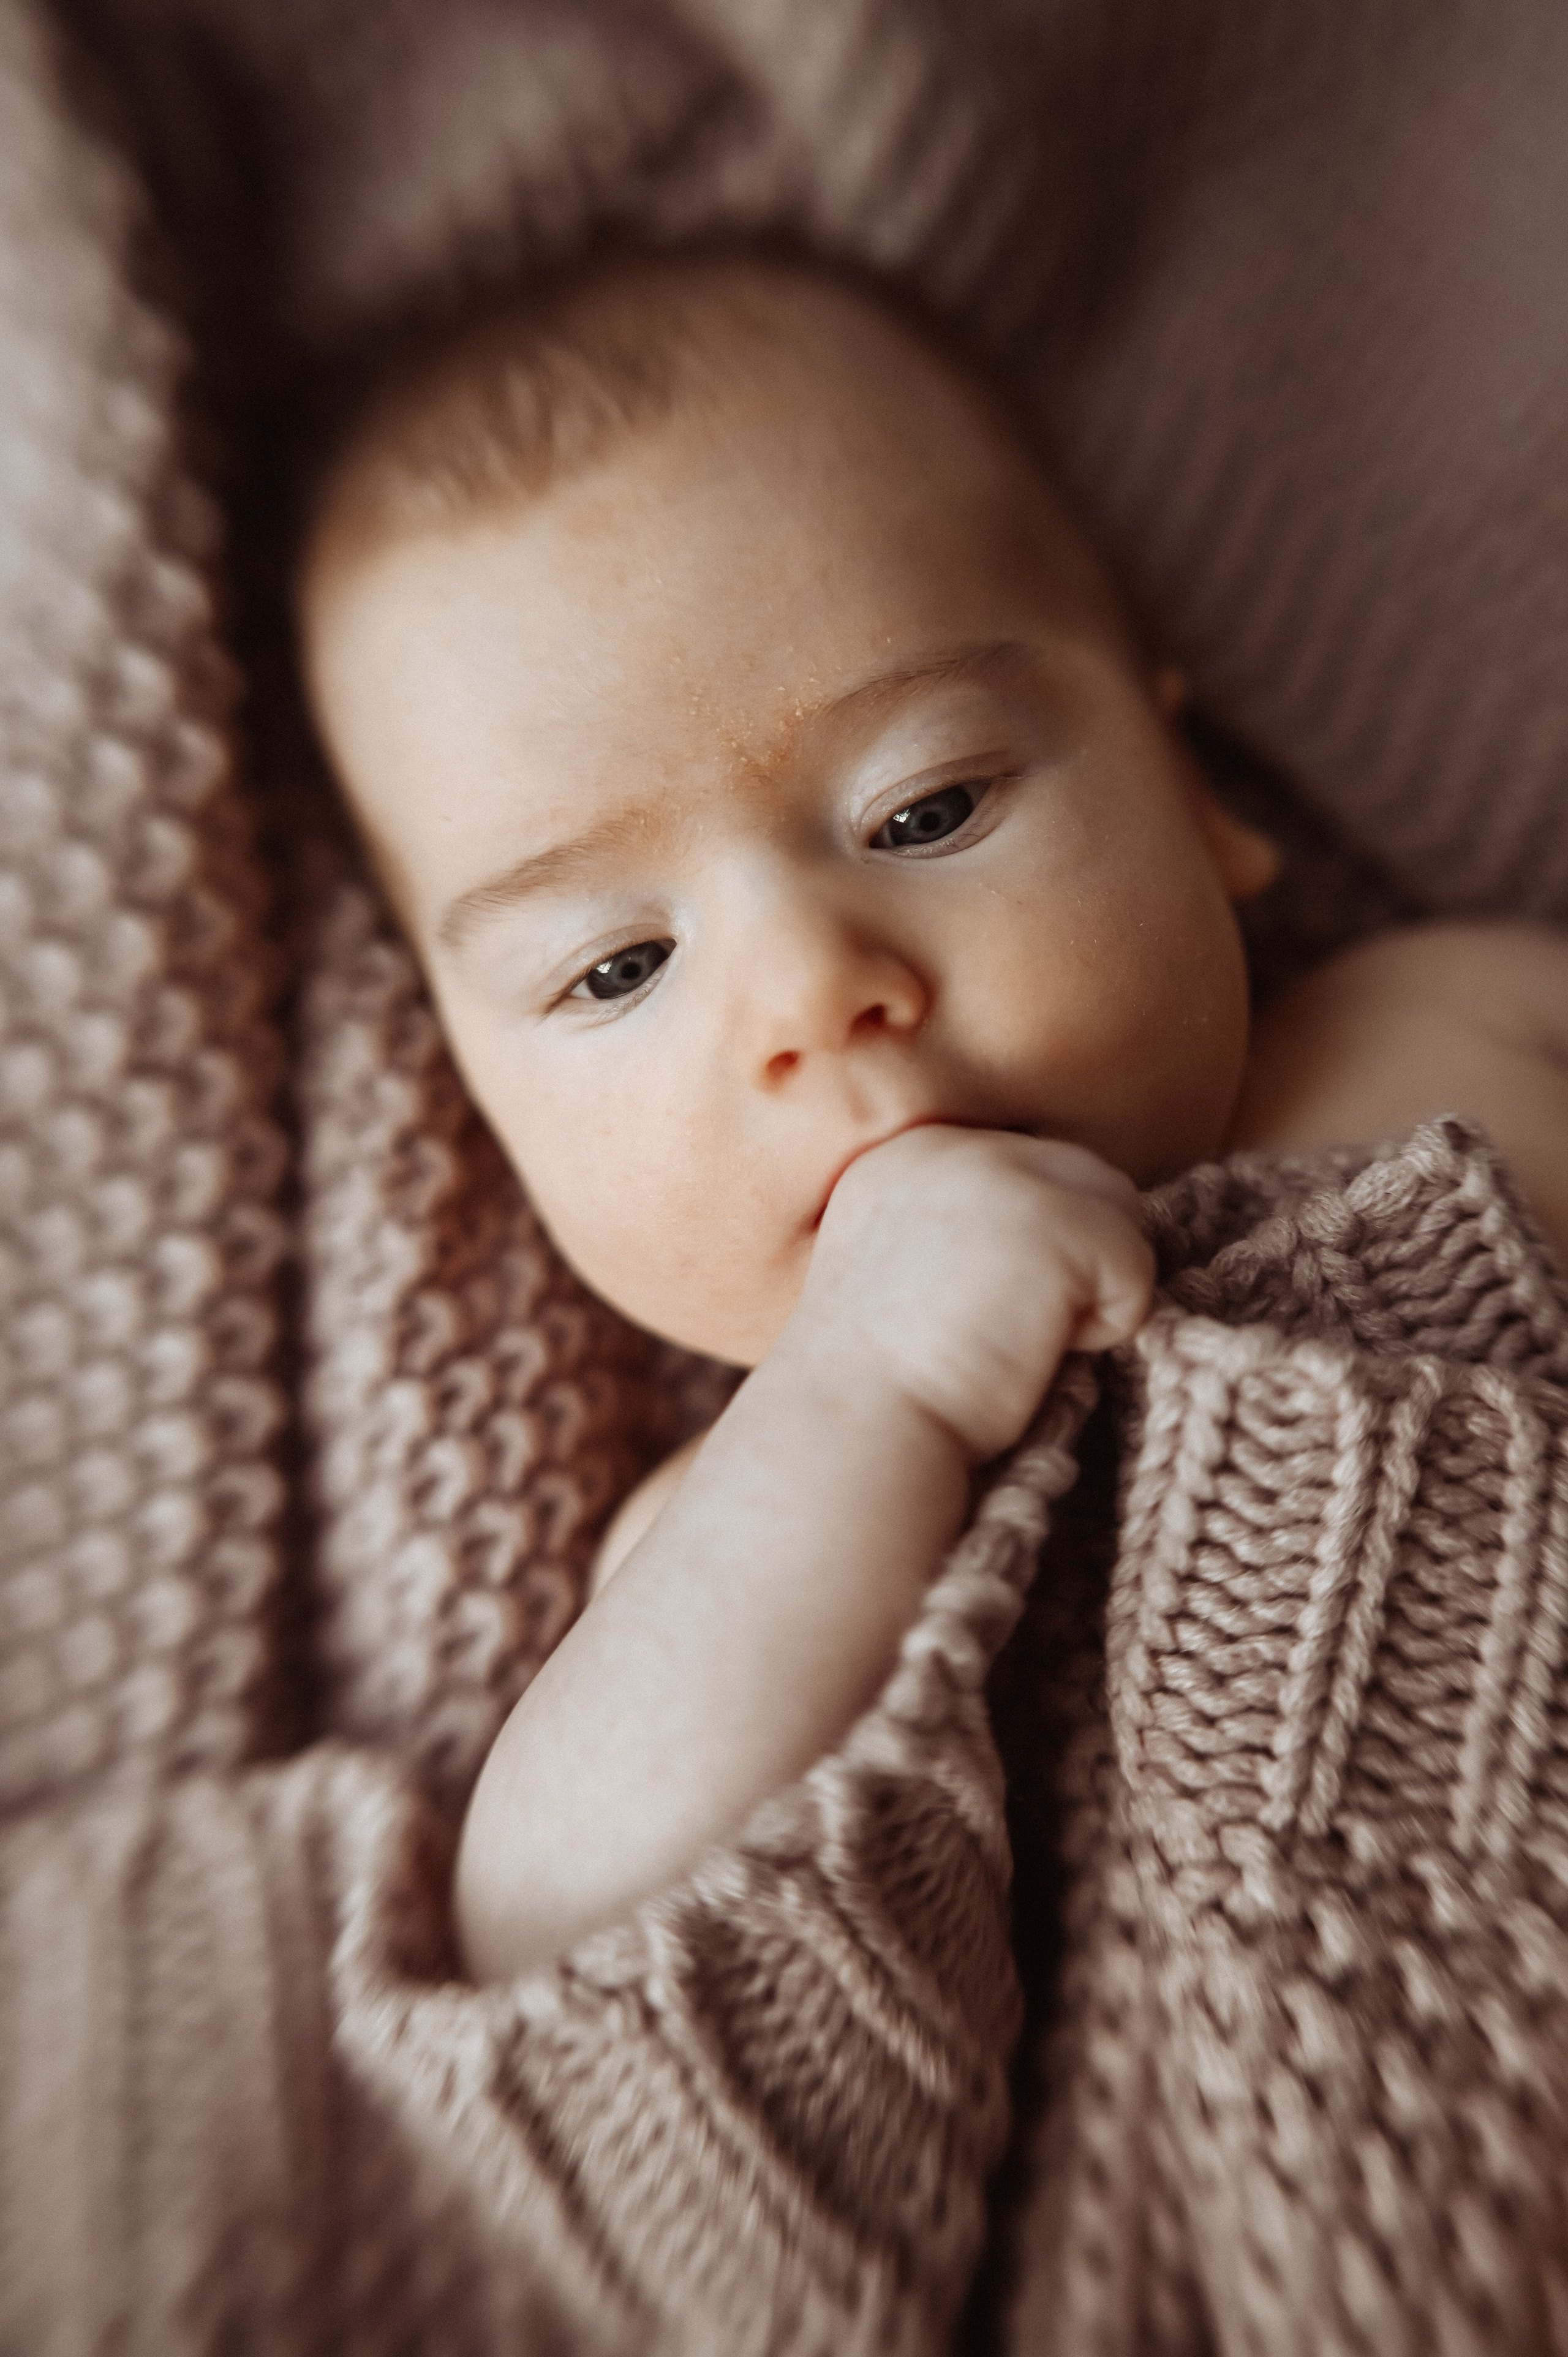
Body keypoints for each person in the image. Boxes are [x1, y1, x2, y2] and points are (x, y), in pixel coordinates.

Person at [298, 250, 1568, 1981]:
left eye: (926, 808)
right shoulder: (735, 1528)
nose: (815, 986)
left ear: (1190, 797)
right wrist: (864, 1401)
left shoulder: (1464, 1023)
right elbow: (558, 1930)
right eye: (615, 969)